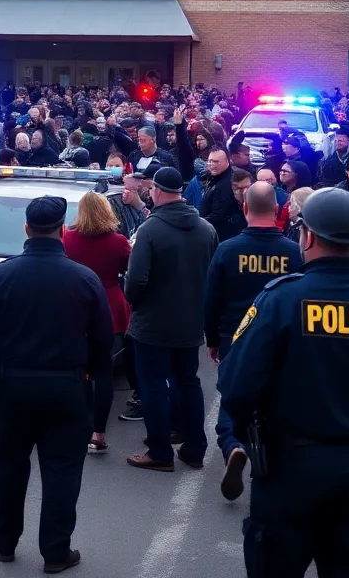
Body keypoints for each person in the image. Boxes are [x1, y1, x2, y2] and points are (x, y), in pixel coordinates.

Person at [217, 187, 349, 578]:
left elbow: (236, 384)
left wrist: (242, 437)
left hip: (288, 468)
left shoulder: (279, 300)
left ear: (307, 237)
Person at [0, 196, 112, 574]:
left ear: (26, 229)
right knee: (63, 471)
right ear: (62, 231)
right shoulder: (84, 278)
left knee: (9, 466)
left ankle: (2, 541)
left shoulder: (2, 275)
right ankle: (56, 551)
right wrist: (90, 373)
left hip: (12, 386)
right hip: (67, 388)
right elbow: (103, 341)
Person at [204, 182, 301, 500]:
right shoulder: (293, 251)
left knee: (232, 393)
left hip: (235, 334)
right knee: (274, 396)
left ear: (245, 208)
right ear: (277, 210)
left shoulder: (227, 250)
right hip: (279, 337)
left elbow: (211, 299)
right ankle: (270, 457)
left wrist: (212, 338)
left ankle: (233, 444)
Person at [124, 166, 217, 472]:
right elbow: (212, 273)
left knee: (153, 386)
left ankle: (160, 451)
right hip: (190, 320)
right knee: (188, 382)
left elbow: (136, 279)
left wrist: (134, 301)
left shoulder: (150, 229)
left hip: (153, 322)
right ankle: (195, 448)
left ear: (158, 192)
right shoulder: (206, 229)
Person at [62, 192, 133, 455]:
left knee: (74, 371)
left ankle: (75, 427)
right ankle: (98, 433)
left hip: (75, 308)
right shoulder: (118, 242)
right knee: (103, 373)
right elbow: (128, 268)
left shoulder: (68, 239)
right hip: (110, 307)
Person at [198, 148, 236, 239]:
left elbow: (217, 216)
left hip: (218, 235)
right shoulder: (214, 178)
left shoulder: (225, 184)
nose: (212, 165)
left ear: (227, 162)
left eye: (216, 162)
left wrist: (197, 224)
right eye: (210, 161)